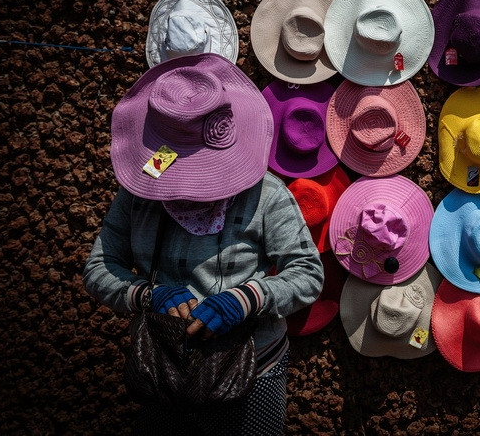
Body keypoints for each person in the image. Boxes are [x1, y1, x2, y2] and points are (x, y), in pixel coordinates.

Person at [83, 53, 324, 435]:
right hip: (162, 364)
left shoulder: (266, 195)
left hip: (253, 366)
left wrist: (248, 298)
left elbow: (308, 274)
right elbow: (99, 268)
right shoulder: (138, 195)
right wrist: (147, 296)